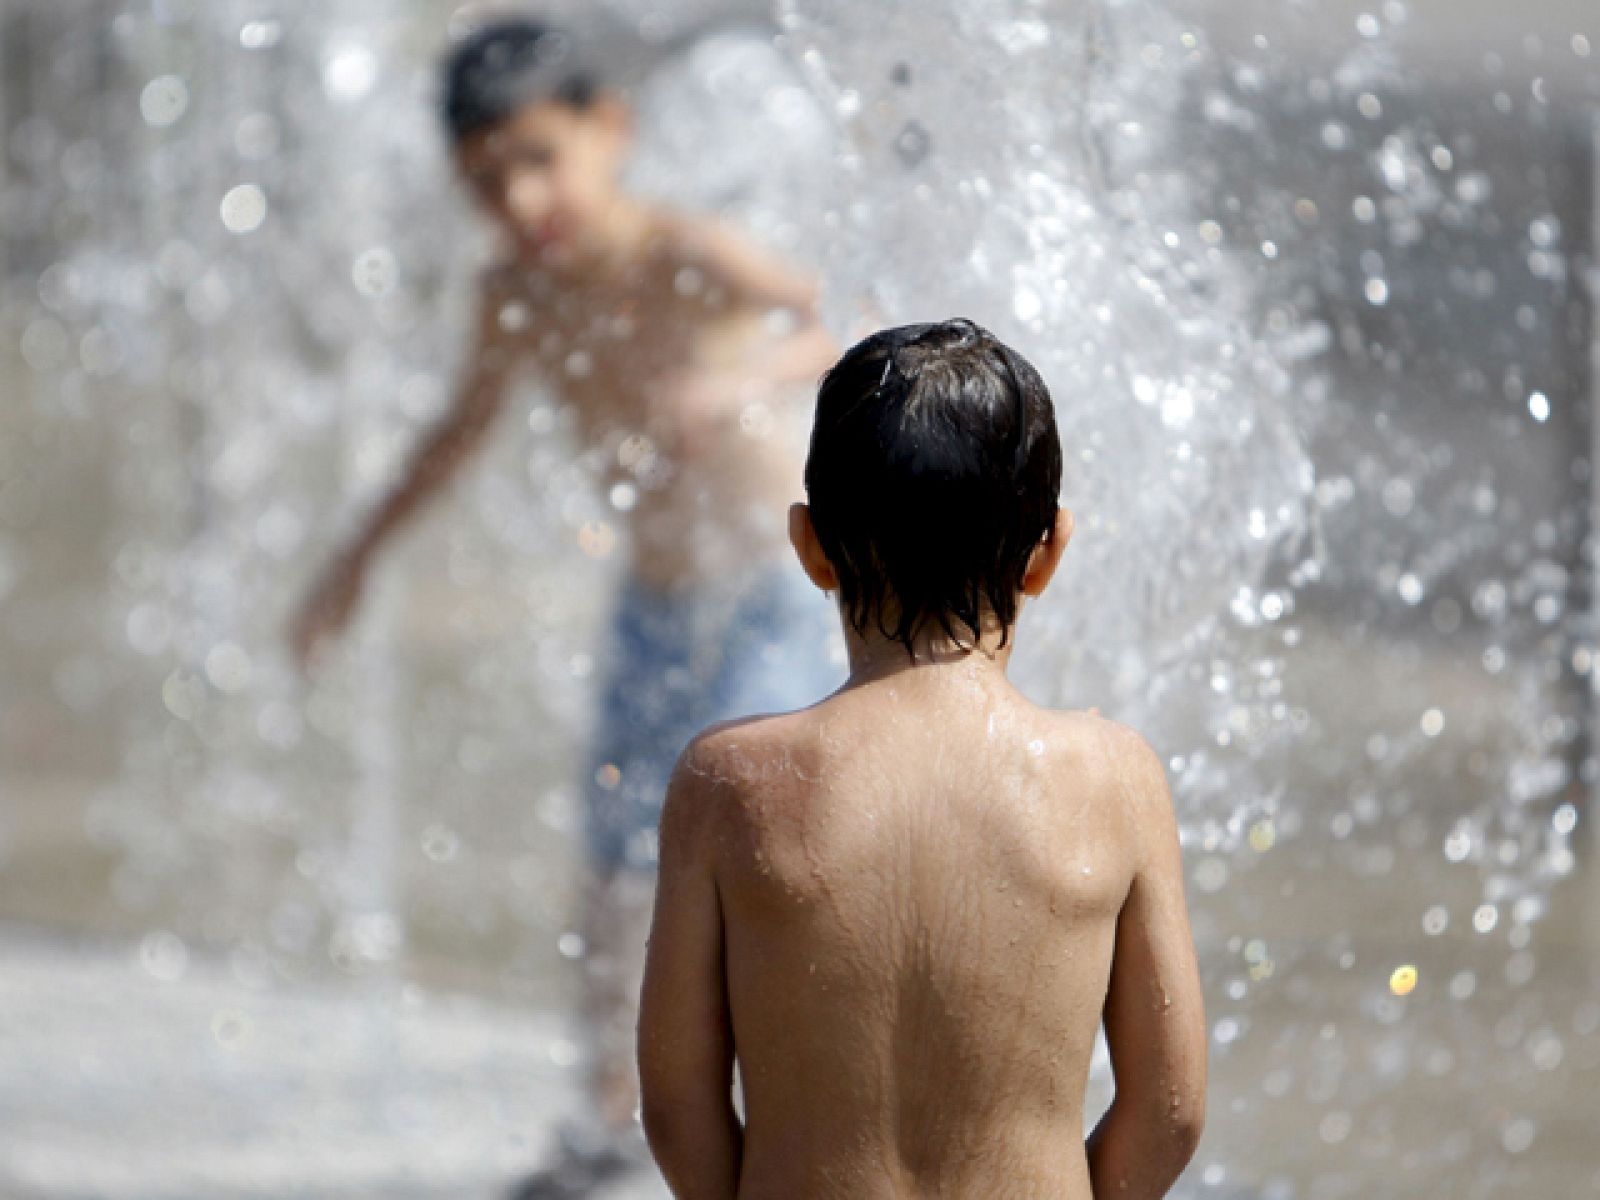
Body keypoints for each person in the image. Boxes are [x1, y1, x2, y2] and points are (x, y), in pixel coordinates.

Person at [288, 16, 841, 1193]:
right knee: (608, 859)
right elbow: (454, 437)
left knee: (756, 836)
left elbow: (834, 324)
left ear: (610, 131)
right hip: (654, 605)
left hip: (772, 592)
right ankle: (605, 1115)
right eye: (487, 183)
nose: (522, 199)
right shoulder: (513, 300)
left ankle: (808, 1108)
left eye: (540, 158)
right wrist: (353, 560)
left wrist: (736, 374)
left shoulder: (688, 255)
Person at [637, 319, 1208, 1198]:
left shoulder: (729, 784)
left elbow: (678, 1108)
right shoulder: (1115, 781)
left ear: (810, 547)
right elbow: (1170, 1109)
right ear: (1048, 552)